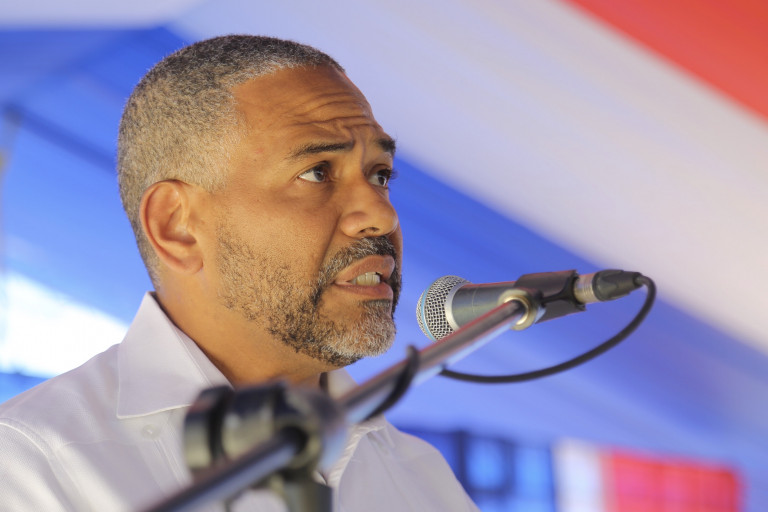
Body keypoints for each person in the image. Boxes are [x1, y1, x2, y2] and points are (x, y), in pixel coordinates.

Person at [0, 35, 479, 511]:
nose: (381, 215)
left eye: (380, 175)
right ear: (177, 227)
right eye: (317, 172)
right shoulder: (29, 463)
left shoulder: (419, 474)